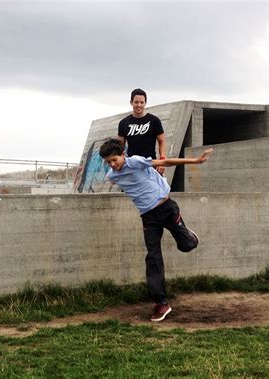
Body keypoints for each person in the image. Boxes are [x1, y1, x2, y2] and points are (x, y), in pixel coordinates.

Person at [99, 138, 213, 322]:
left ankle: (189, 237)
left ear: (123, 155)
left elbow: (165, 162)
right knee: (153, 256)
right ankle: (161, 303)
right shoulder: (112, 175)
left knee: (186, 245)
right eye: (108, 162)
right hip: (148, 218)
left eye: (115, 160)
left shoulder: (135, 161)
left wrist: (195, 161)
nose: (113, 165)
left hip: (167, 208)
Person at [118, 88, 167, 174]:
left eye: (142, 102)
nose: (139, 105)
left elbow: (162, 141)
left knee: (158, 187)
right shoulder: (123, 123)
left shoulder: (154, 120)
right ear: (131, 102)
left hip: (151, 165)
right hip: (132, 167)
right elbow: (119, 147)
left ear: (145, 103)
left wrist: (162, 160)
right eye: (136, 102)